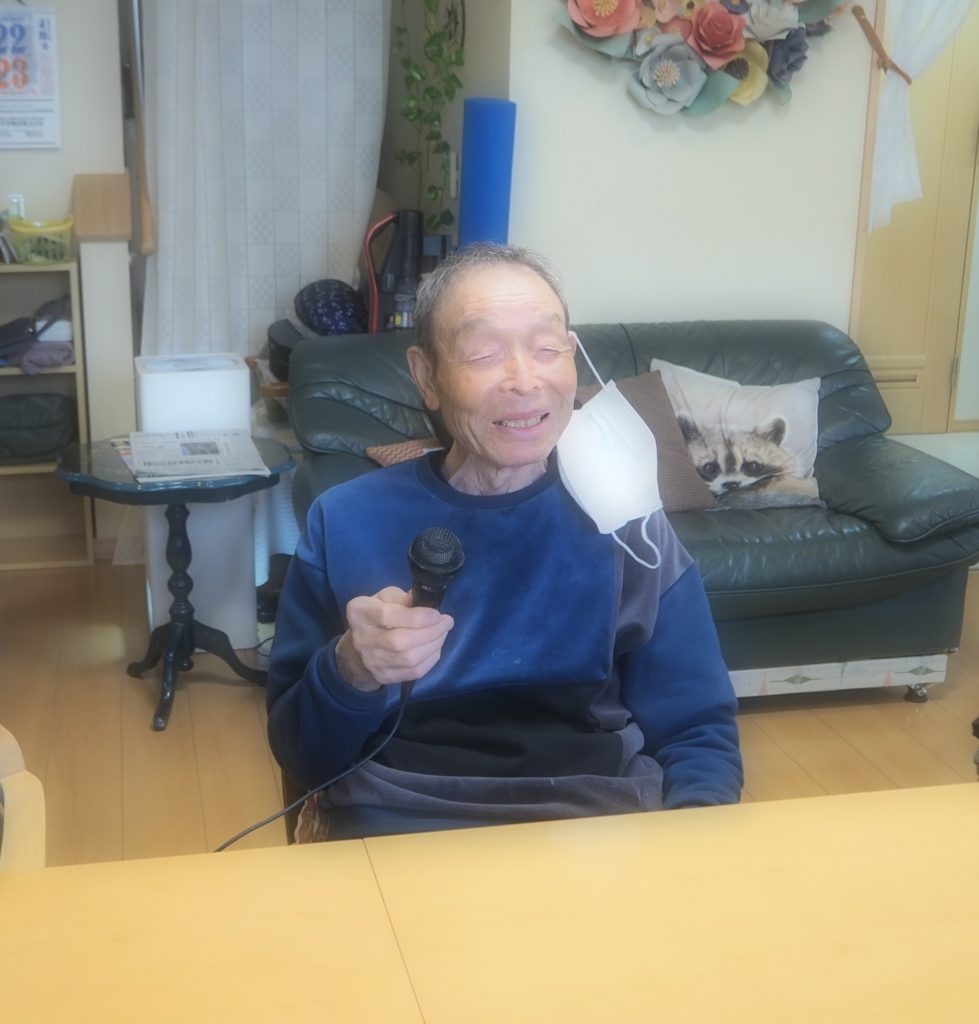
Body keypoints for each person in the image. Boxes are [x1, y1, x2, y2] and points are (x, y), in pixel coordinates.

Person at [266, 243, 742, 840]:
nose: (525, 381)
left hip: (594, 820)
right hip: (402, 819)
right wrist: (352, 669)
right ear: (427, 376)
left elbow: (697, 730)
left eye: (547, 348)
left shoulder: (630, 522)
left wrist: (696, 843)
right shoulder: (346, 520)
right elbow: (301, 753)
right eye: (483, 353)